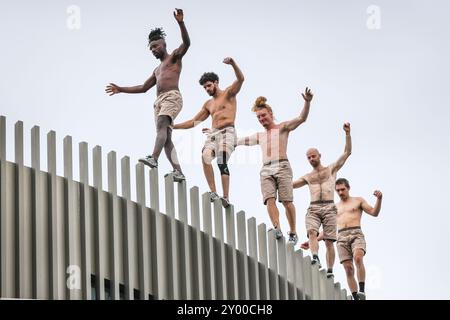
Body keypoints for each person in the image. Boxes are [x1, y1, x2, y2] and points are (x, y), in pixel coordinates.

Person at [105, 8, 190, 182]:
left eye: (156, 46)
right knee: (165, 137)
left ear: (164, 44)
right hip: (158, 101)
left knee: (161, 126)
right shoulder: (157, 69)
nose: (153, 50)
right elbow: (143, 87)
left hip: (172, 97)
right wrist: (121, 89)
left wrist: (181, 23)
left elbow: (186, 43)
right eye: (151, 48)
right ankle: (178, 171)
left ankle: (154, 158)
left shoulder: (173, 58)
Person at [237, 88, 313, 244]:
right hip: (266, 169)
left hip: (282, 166)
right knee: (269, 199)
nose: (261, 119)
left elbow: (301, 118)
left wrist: (307, 102)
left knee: (286, 201)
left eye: (264, 115)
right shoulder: (260, 136)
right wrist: (217, 136)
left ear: (270, 114)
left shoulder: (282, 128)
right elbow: (238, 140)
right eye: (259, 117)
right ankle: (277, 228)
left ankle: (292, 232)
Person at [173, 57, 244, 207]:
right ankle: (214, 192)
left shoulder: (229, 93)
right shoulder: (208, 104)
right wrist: (174, 126)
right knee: (205, 156)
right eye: (204, 87)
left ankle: (226, 196)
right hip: (214, 134)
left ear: (216, 83)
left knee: (221, 159)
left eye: (209, 86)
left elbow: (241, 79)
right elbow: (194, 122)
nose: (207, 89)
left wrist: (233, 64)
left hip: (228, 132)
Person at [300, 178, 382, 300]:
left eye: (343, 189)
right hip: (341, 237)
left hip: (356, 233)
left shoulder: (358, 201)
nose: (340, 192)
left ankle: (362, 290)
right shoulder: (334, 207)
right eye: (338, 190)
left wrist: (379, 199)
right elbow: (328, 230)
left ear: (348, 188)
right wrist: (313, 241)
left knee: (358, 257)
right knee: (348, 269)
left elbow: (374, 213)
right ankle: (356, 297)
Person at [293, 123, 352, 278]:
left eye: (314, 156)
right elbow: (291, 185)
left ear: (320, 155)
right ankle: (315, 257)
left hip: (329, 207)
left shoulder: (331, 169)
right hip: (313, 207)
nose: (311, 159)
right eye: (309, 157)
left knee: (329, 241)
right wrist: (277, 180)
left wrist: (347, 133)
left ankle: (330, 270)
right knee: (311, 232)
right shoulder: (308, 176)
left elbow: (347, 152)